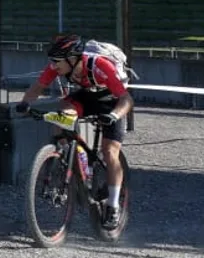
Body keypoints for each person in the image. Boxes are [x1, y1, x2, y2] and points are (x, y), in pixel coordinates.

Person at [19, 32, 133, 229]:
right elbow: (38, 87)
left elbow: (126, 99)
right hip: (87, 97)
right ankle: (64, 156)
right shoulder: (59, 66)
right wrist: (24, 104)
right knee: (63, 112)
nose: (53, 65)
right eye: (52, 61)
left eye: (57, 61)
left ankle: (113, 205)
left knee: (109, 151)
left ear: (72, 59)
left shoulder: (99, 65)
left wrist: (114, 116)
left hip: (113, 102)